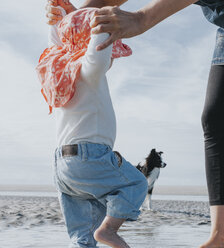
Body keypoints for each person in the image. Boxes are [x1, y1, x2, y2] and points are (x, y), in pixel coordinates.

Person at [46, 0, 224, 247]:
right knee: (214, 119)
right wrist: (72, 15)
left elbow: (140, 19)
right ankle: (220, 236)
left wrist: (141, 19)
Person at [38, 2, 148, 247]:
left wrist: (59, 18)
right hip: (91, 157)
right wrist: (101, 21)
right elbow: (97, 52)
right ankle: (109, 231)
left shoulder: (58, 71)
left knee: (82, 237)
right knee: (136, 183)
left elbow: (57, 43)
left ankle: (95, 235)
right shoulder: (89, 70)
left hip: (62, 168)